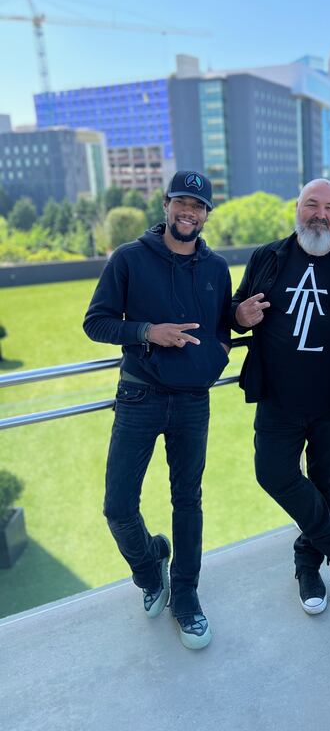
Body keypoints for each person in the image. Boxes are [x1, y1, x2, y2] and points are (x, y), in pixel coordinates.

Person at [231, 179, 330, 615]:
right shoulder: (268, 257)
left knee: (325, 490)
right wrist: (239, 315)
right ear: (297, 209)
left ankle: (308, 567)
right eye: (311, 205)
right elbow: (236, 308)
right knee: (272, 472)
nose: (320, 214)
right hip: (278, 397)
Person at [83, 170, 231, 650]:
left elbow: (222, 326)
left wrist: (221, 351)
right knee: (119, 505)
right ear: (166, 205)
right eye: (181, 202)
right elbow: (97, 323)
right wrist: (148, 332)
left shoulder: (216, 269)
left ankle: (186, 596)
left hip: (193, 401)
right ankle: (151, 570)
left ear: (206, 214)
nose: (189, 212)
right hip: (139, 397)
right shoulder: (129, 259)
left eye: (199, 206)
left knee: (187, 501)